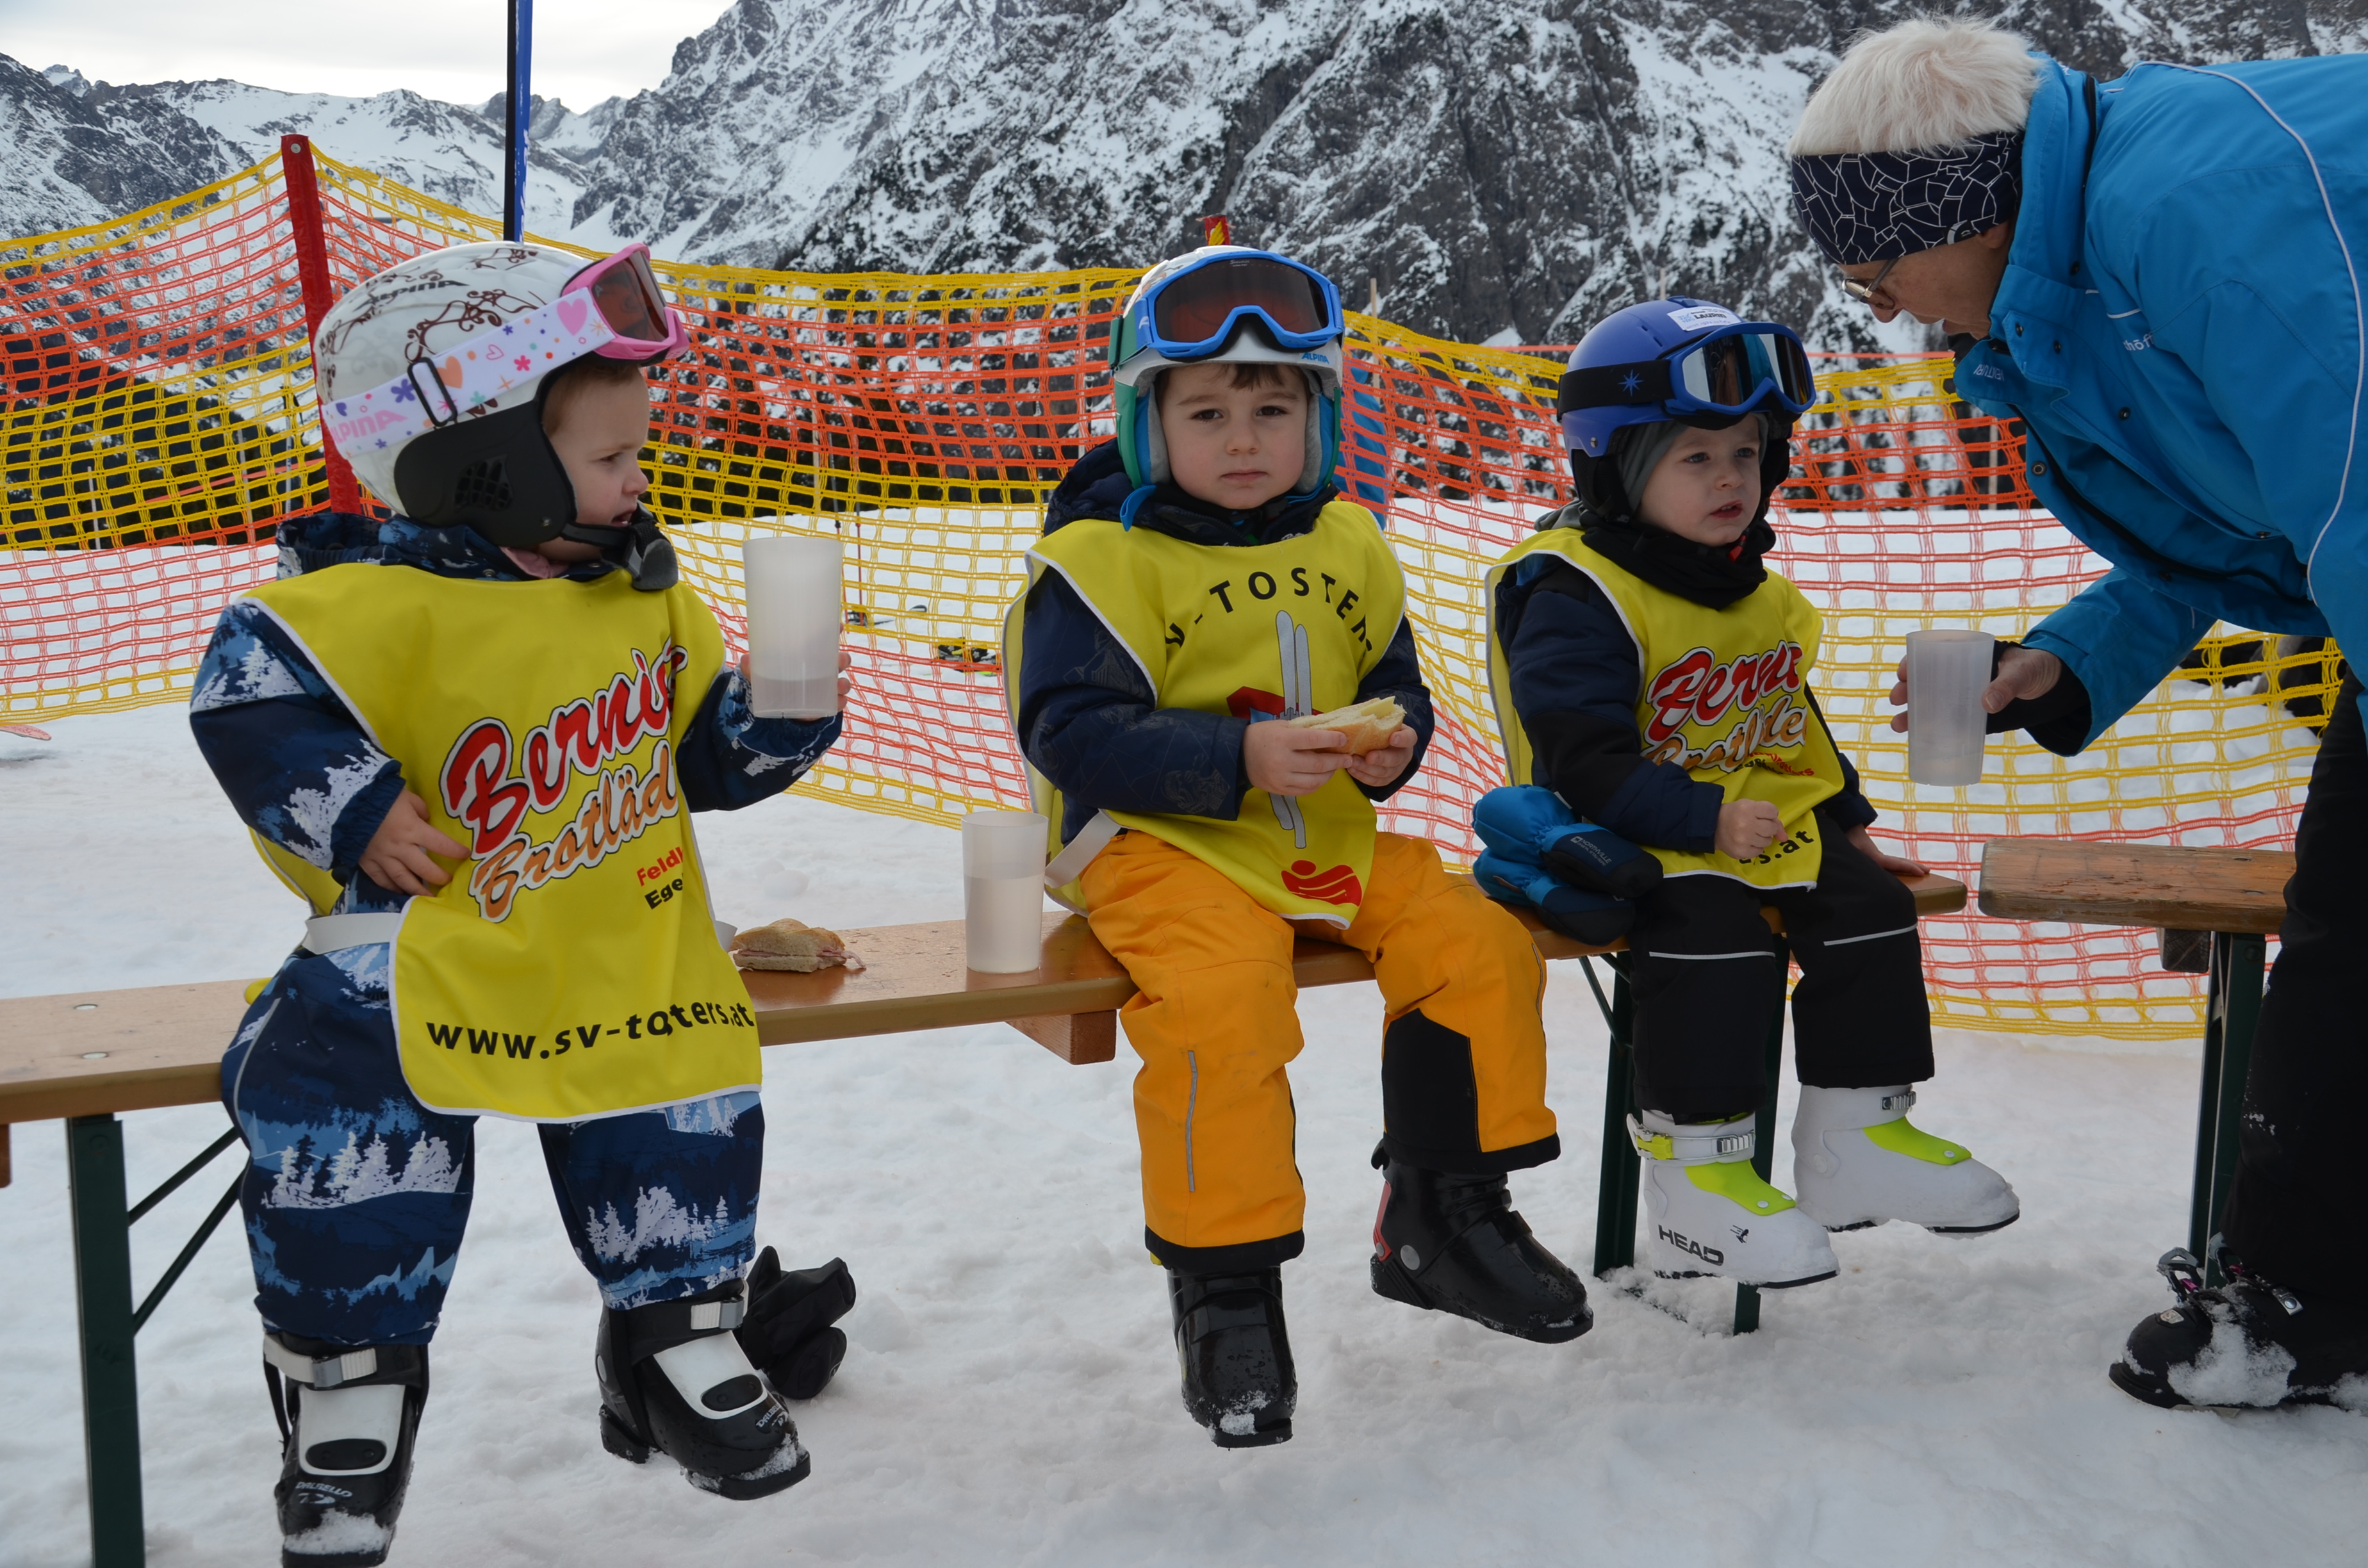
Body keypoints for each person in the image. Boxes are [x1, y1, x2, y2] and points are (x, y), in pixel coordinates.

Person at [192, 241, 857, 1565]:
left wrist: (775, 718)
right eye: (611, 459)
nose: (638, 481)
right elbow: (248, 702)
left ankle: (674, 1329)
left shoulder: (639, 607)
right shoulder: (348, 611)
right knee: (340, 1104)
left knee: (682, 1078)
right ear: (482, 463)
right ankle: (350, 1377)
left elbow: (691, 764)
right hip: (416, 948)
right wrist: (357, 807)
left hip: (616, 941)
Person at [1789, 16, 2368, 1408]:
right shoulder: (2097, 256)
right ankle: (2300, 1306)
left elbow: (2353, 493)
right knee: (2349, 930)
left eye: (1876, 270)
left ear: (1957, 209)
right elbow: (2239, 523)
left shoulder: (2200, 222)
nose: (1880, 308)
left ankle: (2294, 1307)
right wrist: (2069, 661)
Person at [1005, 246, 1590, 1448]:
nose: (1243, 440)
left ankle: (1444, 1215)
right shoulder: (1098, 562)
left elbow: (1394, 682)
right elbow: (1070, 733)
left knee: (1474, 943)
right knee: (1222, 1003)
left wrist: (1392, 746)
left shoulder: (1347, 543)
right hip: (1153, 846)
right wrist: (1236, 759)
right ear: (1146, 423)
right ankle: (1224, 1287)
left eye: (1274, 410)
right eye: (1206, 414)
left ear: (1317, 423)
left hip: (1319, 837)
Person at [1484, 297, 2020, 1290]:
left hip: (1749, 821)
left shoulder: (1746, 587)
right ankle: (1698, 1181)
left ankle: (1856, 1138)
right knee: (1714, 937)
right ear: (1617, 466)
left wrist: (1848, 824)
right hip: (1617, 833)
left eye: (1746, 453)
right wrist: (1701, 818)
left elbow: (1785, 711)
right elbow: (1577, 756)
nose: (1731, 478)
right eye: (1696, 457)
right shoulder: (1578, 594)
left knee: (1871, 911)